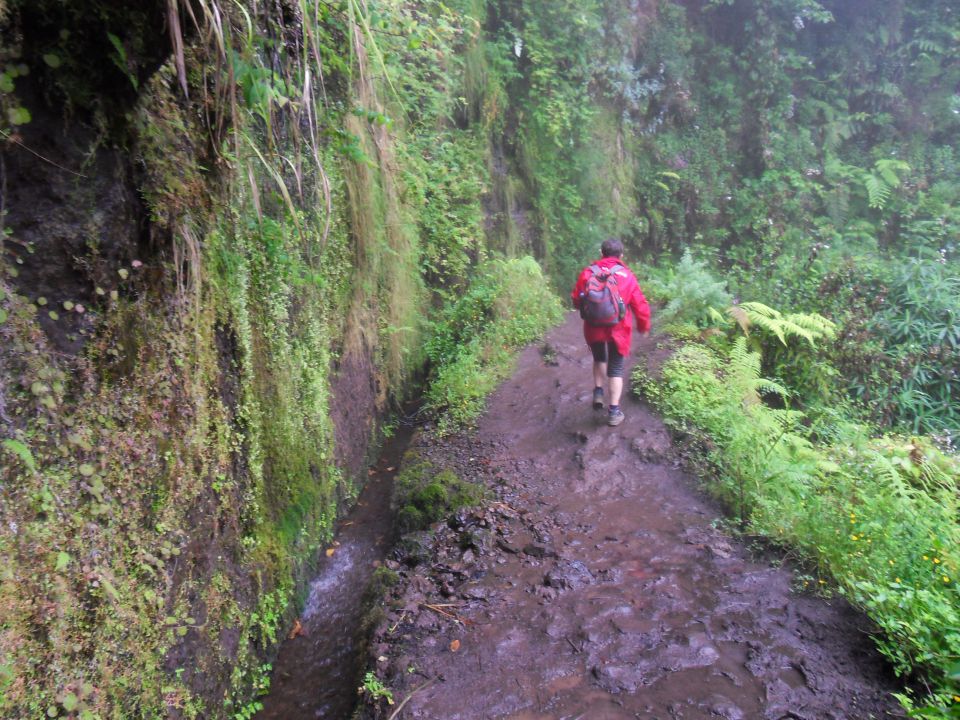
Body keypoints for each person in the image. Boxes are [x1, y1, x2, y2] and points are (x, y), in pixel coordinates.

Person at [570, 238, 651, 426]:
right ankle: (614, 412)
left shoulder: (588, 273)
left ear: (601, 253)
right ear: (621, 255)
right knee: (616, 369)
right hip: (619, 330)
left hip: (593, 327)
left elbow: (576, 300)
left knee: (599, 359)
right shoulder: (627, 276)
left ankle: (598, 391)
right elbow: (640, 304)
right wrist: (644, 326)